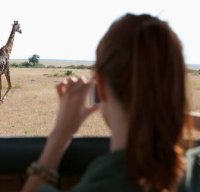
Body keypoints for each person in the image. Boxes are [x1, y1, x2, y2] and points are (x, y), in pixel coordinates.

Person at [22, 13, 199, 192]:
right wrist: (160, 112)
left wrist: (60, 134)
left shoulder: (102, 184)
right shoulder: (193, 170)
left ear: (101, 88)